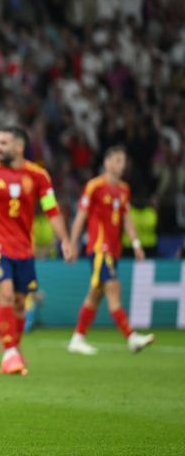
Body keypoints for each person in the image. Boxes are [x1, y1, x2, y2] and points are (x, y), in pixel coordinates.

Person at [0, 126, 75, 375]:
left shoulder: (38, 177)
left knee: (19, 304)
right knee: (4, 293)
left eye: (3, 143)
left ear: (19, 147)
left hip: (24, 250)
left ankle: (3, 348)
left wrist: (65, 240)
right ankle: (11, 353)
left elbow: (51, 210)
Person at [67, 146, 155, 355]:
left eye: (123, 161)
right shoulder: (94, 186)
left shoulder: (124, 189)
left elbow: (126, 218)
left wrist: (136, 244)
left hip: (114, 250)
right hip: (99, 248)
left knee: (95, 294)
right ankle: (131, 337)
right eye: (116, 160)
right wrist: (72, 243)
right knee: (113, 289)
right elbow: (80, 216)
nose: (120, 165)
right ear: (106, 163)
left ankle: (78, 338)